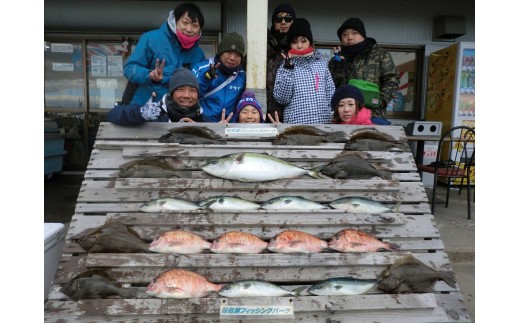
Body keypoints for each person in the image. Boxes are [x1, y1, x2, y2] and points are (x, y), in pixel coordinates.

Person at [122, 3, 206, 106]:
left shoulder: (198, 54)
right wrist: (149, 75)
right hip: (144, 109)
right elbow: (130, 68)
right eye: (185, 23)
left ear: (200, 30)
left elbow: (200, 86)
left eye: (195, 26)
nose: (189, 29)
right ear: (174, 21)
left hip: (179, 113)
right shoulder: (151, 39)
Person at [328, 17, 399, 120]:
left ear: (363, 35)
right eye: (345, 34)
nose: (350, 37)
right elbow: (332, 88)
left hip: (373, 115)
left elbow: (392, 79)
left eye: (354, 33)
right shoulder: (336, 60)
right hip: (345, 117)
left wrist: (380, 101)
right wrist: (338, 67)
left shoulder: (380, 54)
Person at [273, 18, 335, 124]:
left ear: (310, 42)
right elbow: (282, 99)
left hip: (324, 124)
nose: (299, 46)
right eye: (294, 42)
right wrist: (288, 69)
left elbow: (331, 92)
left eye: (303, 41)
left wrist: (331, 113)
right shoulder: (285, 66)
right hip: (296, 125)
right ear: (290, 44)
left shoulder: (321, 64)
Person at [106, 67, 202, 126]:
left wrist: (199, 131)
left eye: (192, 90)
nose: (186, 95)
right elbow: (113, 115)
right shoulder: (157, 113)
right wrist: (141, 113)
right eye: (180, 90)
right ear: (171, 94)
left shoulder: (202, 118)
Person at [192, 32, 246, 122]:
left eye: (237, 54)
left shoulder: (243, 76)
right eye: (228, 52)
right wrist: (205, 79)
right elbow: (190, 96)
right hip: (202, 126)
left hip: (229, 128)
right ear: (220, 52)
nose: (232, 58)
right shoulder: (201, 68)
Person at [266, 3, 296, 123]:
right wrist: (270, 47)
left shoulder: (300, 46)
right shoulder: (263, 42)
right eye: (279, 19)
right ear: (273, 23)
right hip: (266, 113)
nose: (283, 22)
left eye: (288, 19)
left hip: (293, 114)